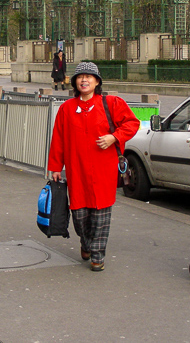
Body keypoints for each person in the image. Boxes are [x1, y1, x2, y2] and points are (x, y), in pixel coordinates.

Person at [47, 62, 140, 271]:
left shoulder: (111, 103)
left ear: (97, 81)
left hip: (104, 169)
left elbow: (132, 123)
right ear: (75, 83)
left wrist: (114, 137)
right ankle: (86, 242)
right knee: (79, 215)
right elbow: (58, 139)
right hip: (77, 170)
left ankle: (97, 255)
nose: (84, 80)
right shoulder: (67, 108)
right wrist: (55, 167)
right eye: (80, 77)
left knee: (101, 215)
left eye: (89, 76)